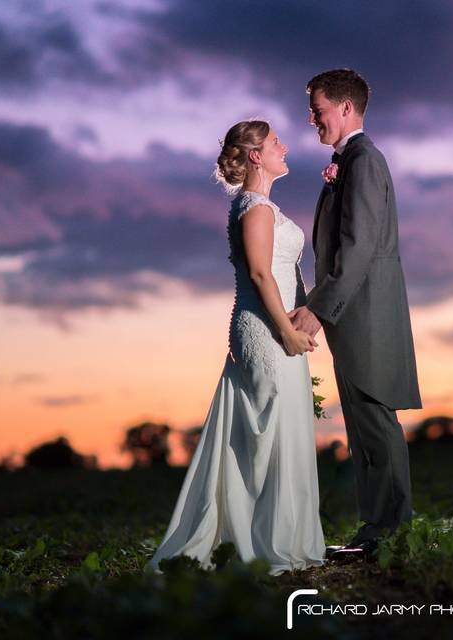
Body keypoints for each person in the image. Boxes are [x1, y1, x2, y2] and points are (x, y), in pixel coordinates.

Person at [146, 119, 326, 576]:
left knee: (276, 432)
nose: (284, 147)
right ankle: (258, 543)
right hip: (264, 333)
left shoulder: (262, 206)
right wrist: (286, 331)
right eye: (275, 143)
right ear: (255, 157)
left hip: (277, 326)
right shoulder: (256, 209)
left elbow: (284, 273)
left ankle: (272, 536)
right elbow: (261, 275)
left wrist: (305, 316)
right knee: (264, 438)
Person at [289, 69, 422, 561]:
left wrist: (318, 310)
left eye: (318, 109)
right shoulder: (350, 161)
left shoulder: (363, 161)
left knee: (375, 422)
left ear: (345, 108)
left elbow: (359, 247)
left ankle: (389, 532)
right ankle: (378, 529)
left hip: (366, 313)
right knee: (364, 426)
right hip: (356, 315)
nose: (312, 118)